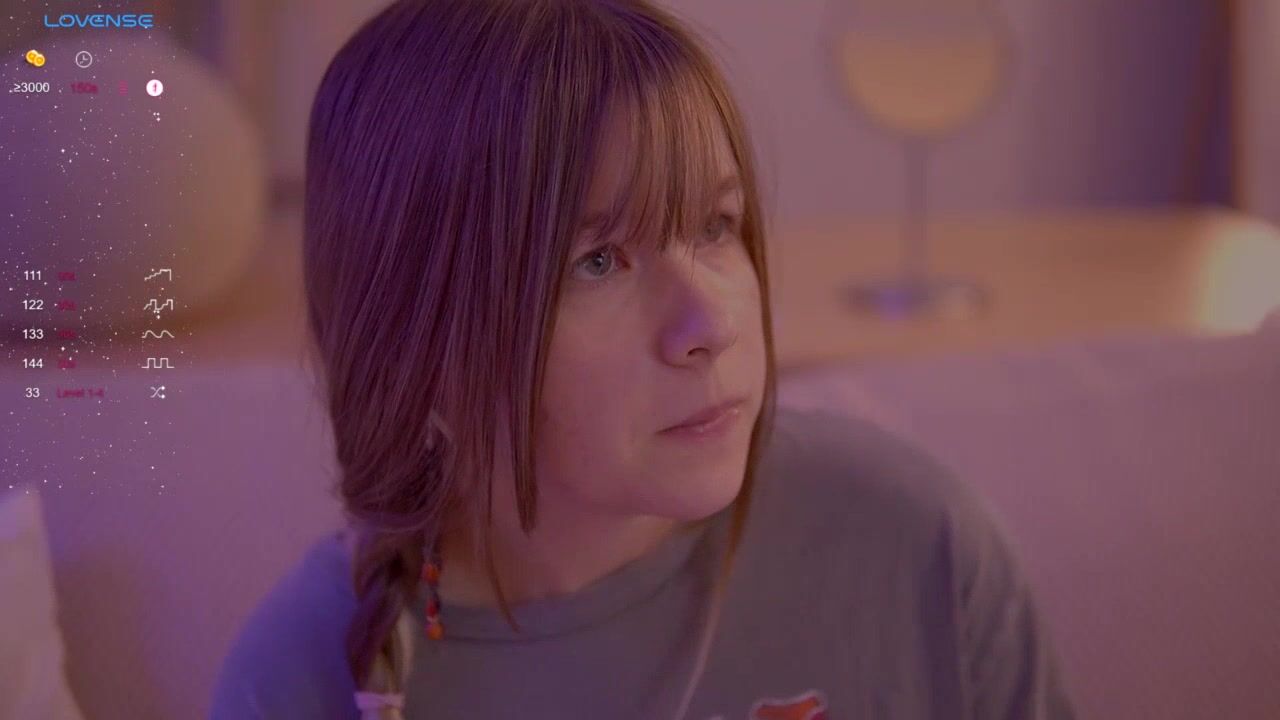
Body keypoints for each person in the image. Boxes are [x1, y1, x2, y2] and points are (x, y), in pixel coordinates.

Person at [210, 0, 1078, 718]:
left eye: (716, 226)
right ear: (417, 341)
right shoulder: (294, 684)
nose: (710, 324)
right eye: (598, 262)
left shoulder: (913, 546)